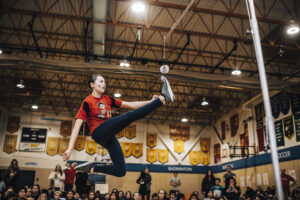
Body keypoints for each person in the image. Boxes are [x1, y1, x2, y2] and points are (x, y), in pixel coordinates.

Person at [63, 74, 174, 177]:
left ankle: (92, 168)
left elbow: (130, 105)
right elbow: (77, 126)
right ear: (92, 84)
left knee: (120, 171)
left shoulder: (107, 99)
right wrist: (70, 148)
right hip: (98, 132)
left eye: (105, 82)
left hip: (109, 136)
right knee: (128, 117)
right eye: (101, 81)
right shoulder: (87, 101)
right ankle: (162, 98)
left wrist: (149, 101)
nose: (104, 84)